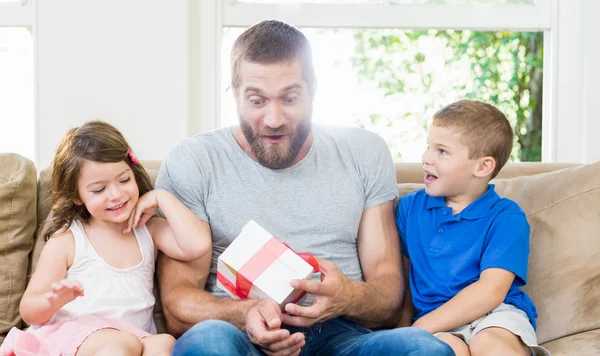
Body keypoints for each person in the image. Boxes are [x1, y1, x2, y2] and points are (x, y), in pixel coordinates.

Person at [155, 20, 454, 356]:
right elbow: (178, 302)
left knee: (425, 349)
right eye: (256, 101)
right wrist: (246, 313)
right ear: (234, 93)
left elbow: (387, 295)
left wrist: (346, 297)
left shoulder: (363, 151)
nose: (274, 118)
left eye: (290, 98)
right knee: (208, 342)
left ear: (314, 90)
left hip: (340, 335)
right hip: (237, 334)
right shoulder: (194, 160)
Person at [0, 121, 211, 356]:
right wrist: (53, 302)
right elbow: (29, 310)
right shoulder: (68, 241)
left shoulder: (147, 230)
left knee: (164, 344)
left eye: (124, 180)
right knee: (118, 345)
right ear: (76, 196)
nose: (116, 194)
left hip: (133, 337)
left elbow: (197, 245)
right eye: (99, 190)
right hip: (75, 339)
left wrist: (161, 197)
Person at [395, 100, 550, 356]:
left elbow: (490, 292)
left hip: (495, 315)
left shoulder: (505, 217)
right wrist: (403, 334)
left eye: (441, 151)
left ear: (482, 167)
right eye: (428, 147)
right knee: (444, 351)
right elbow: (401, 277)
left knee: (490, 345)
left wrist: (420, 327)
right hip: (438, 323)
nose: (426, 158)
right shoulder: (410, 210)